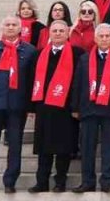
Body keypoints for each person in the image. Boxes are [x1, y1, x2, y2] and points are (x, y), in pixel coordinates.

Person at [27, 20, 82, 193]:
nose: (58, 33)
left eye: (61, 31)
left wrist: (76, 106)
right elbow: (31, 81)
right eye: (55, 30)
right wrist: (31, 107)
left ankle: (60, 182)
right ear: (49, 33)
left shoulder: (77, 53)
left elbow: (79, 83)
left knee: (63, 148)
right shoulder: (39, 54)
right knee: (44, 148)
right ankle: (41, 181)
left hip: (66, 108)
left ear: (67, 34)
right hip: (44, 108)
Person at [72, 23, 110, 193]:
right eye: (101, 36)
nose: (104, 39)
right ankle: (87, 182)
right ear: (95, 38)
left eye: (107, 36)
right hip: (89, 109)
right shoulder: (84, 58)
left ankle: (107, 181)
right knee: (87, 148)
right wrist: (75, 107)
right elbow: (77, 85)